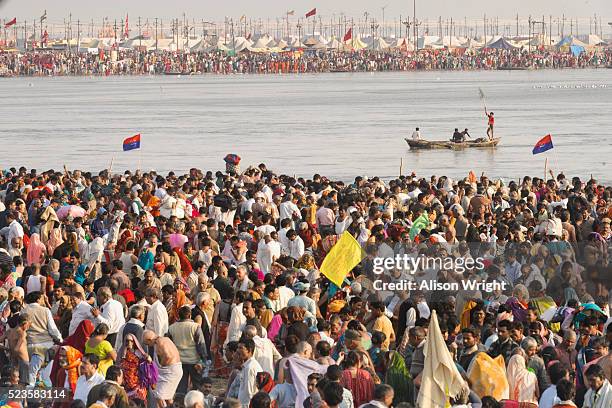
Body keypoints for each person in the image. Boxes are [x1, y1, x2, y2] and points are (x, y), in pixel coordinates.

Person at [143, 329, 183, 408]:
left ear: (150, 340)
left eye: (147, 343)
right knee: (168, 397)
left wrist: (161, 366)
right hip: (174, 369)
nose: (148, 346)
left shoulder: (160, 342)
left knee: (159, 395)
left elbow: (168, 356)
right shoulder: (165, 339)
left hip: (170, 371)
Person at [118, 333, 150, 403]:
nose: (129, 343)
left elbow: (147, 363)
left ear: (134, 342)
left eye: (131, 341)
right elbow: (118, 365)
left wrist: (148, 359)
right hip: (125, 383)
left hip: (137, 382)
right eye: (127, 341)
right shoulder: (121, 352)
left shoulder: (138, 352)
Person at [237, 338, 264, 407]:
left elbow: (249, 393)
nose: (238, 351)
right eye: (238, 348)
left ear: (249, 350)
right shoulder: (247, 366)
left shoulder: (250, 367)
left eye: (241, 348)